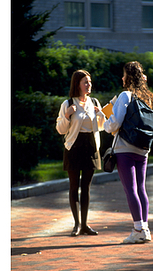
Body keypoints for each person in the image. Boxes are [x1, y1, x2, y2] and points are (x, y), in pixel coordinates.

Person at [104, 61, 153, 244]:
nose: (122, 77)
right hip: (143, 148)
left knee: (130, 189)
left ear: (128, 77)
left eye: (124, 74)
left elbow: (115, 123)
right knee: (141, 188)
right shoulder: (146, 97)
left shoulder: (125, 95)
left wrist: (105, 123)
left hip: (125, 148)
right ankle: (145, 229)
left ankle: (137, 230)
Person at [56, 70, 106, 236]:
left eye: (90, 82)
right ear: (77, 84)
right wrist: (67, 115)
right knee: (73, 187)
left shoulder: (94, 102)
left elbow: (101, 127)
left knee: (86, 187)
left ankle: (85, 224)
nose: (88, 85)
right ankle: (76, 225)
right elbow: (61, 129)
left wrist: (100, 115)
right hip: (74, 148)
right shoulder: (68, 103)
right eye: (85, 82)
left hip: (91, 147)